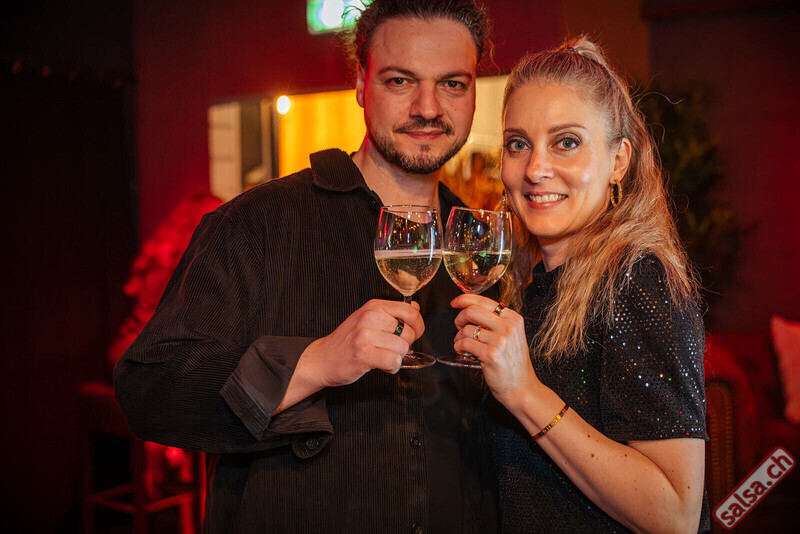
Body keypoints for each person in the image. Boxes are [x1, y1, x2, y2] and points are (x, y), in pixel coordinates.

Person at [114, 1, 497, 532]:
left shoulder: (480, 247)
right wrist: (315, 362)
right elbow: (148, 390)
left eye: (452, 84)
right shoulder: (257, 222)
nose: (428, 107)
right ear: (361, 83)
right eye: (400, 81)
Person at [451, 38, 711, 532]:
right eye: (518, 144)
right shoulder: (531, 287)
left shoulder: (637, 281)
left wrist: (525, 393)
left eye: (566, 142)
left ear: (618, 161)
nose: (535, 169)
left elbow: (675, 515)